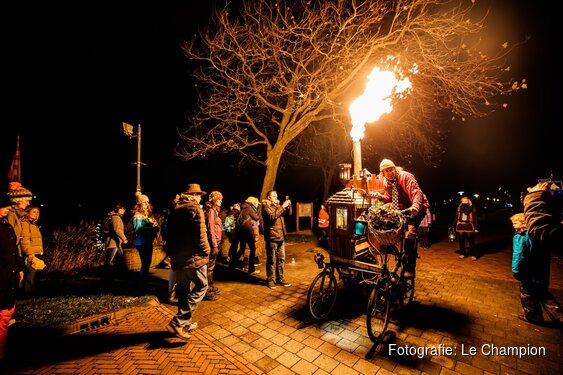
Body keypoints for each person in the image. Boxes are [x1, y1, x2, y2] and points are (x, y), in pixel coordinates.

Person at [164, 183, 210, 340]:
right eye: (199, 195)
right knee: (202, 286)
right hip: (194, 256)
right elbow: (201, 235)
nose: (200, 198)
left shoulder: (175, 210)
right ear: (195, 195)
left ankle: (186, 323)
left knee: (183, 290)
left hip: (179, 257)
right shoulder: (195, 209)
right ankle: (179, 321)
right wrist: (207, 251)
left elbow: (167, 233)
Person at [372, 159, 430, 278]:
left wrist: (412, 209)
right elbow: (390, 196)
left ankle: (410, 266)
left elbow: (416, 194)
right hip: (401, 207)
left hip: (417, 207)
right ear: (383, 172)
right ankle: (391, 248)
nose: (390, 172)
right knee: (385, 219)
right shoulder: (385, 182)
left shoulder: (406, 177)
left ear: (395, 168)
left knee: (410, 232)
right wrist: (381, 197)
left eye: (391, 169)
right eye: (386, 171)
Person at [519, 181, 563, 327]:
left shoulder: (523, 237)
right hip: (540, 269)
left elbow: (541, 232)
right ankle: (557, 317)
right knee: (543, 293)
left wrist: (536, 197)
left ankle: (534, 317)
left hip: (532, 270)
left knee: (531, 293)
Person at [0, 192, 25, 362]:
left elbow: (14, 251)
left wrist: (20, 268)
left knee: (6, 311)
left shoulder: (7, 227)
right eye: (5, 206)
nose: (8, 209)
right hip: (1, 276)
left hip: (9, 275)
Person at [261, 190, 292, 289]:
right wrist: (283, 207)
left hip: (281, 236)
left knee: (281, 258)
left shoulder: (278, 206)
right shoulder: (266, 206)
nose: (276, 197)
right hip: (272, 236)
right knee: (271, 260)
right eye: (273, 196)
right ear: (269, 197)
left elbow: (288, 215)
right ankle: (270, 280)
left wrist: (288, 207)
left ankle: (280, 278)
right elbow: (272, 216)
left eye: (276, 196)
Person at [132, 192, 159, 294]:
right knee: (145, 265)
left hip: (147, 242)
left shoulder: (146, 215)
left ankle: (145, 286)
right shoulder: (138, 216)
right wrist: (151, 228)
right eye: (144, 203)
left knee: (147, 264)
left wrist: (155, 227)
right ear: (139, 204)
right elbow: (138, 229)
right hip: (142, 243)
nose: (146, 204)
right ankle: (143, 287)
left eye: (147, 202)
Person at [230, 197, 261, 275]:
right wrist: (259, 213)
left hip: (241, 232)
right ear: (253, 203)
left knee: (242, 249)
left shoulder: (243, 208)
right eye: (256, 203)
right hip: (247, 231)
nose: (257, 205)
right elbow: (256, 218)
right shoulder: (250, 208)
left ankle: (232, 265)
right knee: (252, 249)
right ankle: (251, 270)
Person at [19, 206, 45, 295]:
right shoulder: (26, 223)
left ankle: (31, 293)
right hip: (30, 253)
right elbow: (25, 240)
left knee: (33, 274)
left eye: (38, 212)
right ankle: (27, 294)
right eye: (34, 212)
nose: (36, 214)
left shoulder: (33, 224)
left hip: (36, 252)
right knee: (30, 274)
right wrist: (29, 253)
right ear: (27, 212)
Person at [101, 203, 128, 286]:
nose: (123, 211)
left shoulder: (113, 216)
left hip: (115, 242)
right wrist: (124, 238)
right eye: (122, 209)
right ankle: (106, 279)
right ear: (117, 209)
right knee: (109, 261)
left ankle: (113, 278)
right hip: (113, 243)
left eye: (124, 209)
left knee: (120, 261)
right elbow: (117, 230)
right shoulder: (115, 217)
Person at [204, 191, 223, 301]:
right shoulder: (211, 211)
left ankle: (210, 287)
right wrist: (215, 245)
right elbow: (211, 229)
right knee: (209, 267)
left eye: (221, 199)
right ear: (214, 200)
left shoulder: (215, 211)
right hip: (212, 243)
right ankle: (207, 291)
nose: (220, 201)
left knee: (211, 266)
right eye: (218, 199)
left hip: (216, 242)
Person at [453, 196, 479, 260]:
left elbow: (475, 218)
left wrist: (476, 227)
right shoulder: (459, 208)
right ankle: (462, 253)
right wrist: (453, 225)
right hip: (460, 225)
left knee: (471, 240)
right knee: (461, 240)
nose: (464, 202)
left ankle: (473, 254)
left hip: (469, 225)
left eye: (466, 201)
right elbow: (456, 217)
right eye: (463, 201)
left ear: (468, 201)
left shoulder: (472, 207)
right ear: (461, 202)